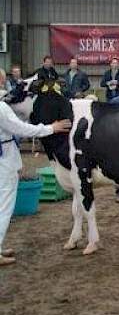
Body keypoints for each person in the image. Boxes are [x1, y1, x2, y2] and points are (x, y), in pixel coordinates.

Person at [0, 68, 71, 266]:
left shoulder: (4, 105)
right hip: (3, 158)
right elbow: (22, 129)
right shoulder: (2, 108)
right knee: (4, 205)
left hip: (5, 153)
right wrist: (51, 128)